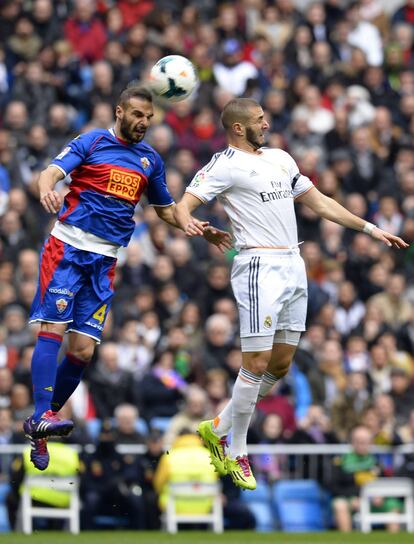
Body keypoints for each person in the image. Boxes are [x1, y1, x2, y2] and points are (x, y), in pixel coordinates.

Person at [174, 97, 408, 491]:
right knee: (257, 359)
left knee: (279, 366)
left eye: (264, 118)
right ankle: (237, 449)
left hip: (293, 263)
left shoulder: (282, 158)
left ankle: (218, 427)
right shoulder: (224, 164)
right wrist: (195, 225)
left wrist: (369, 229)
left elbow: (319, 202)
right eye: (258, 120)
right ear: (237, 128)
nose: (265, 125)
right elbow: (185, 205)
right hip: (258, 266)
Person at [23, 85, 231, 471]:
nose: (143, 122)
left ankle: (41, 424)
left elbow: (166, 209)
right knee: (53, 327)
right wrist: (46, 189)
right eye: (136, 114)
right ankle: (41, 413)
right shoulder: (92, 141)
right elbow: (49, 174)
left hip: (105, 260)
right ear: (119, 112)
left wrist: (196, 226)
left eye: (149, 117)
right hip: (68, 248)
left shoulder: (150, 160)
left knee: (83, 350)